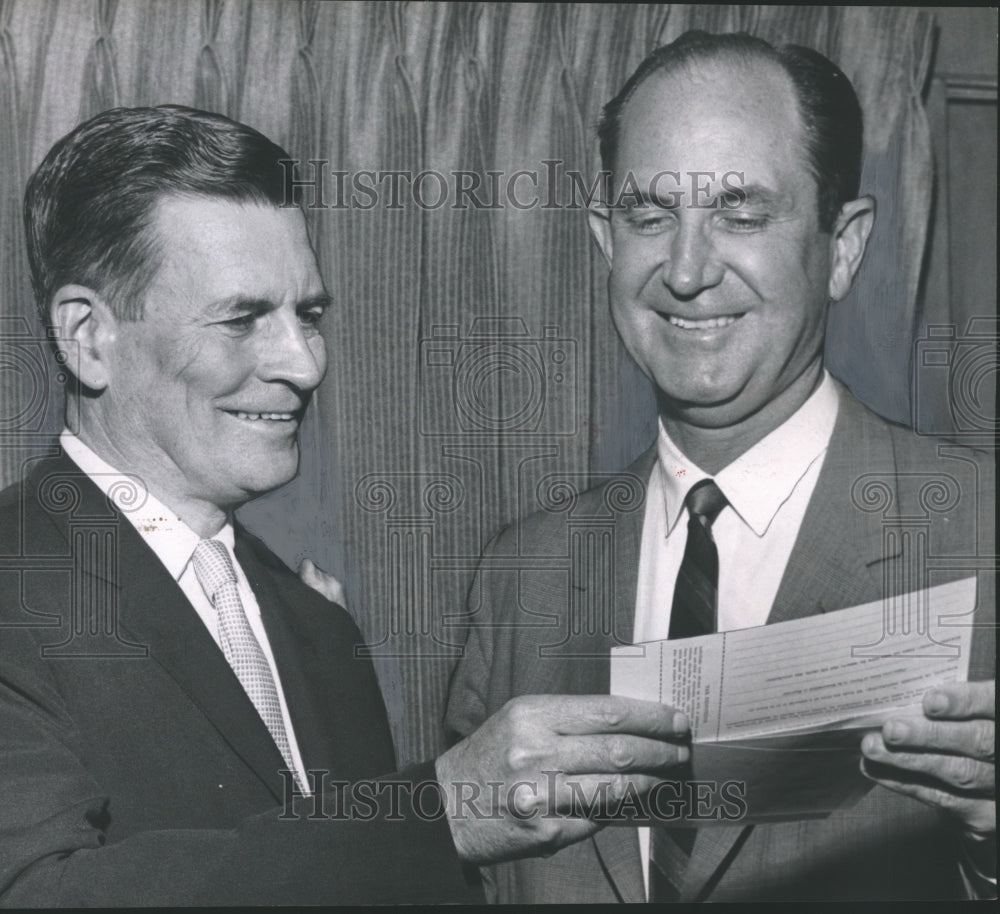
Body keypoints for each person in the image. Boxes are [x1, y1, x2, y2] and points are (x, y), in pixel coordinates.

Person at [0, 105, 691, 905]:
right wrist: (438, 812)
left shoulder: (318, 626)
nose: (302, 364)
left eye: (309, 315)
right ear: (87, 337)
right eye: (242, 318)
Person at [445, 30, 996, 902]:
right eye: (649, 216)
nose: (688, 270)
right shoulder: (524, 575)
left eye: (741, 212)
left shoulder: (980, 536)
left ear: (843, 246)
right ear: (604, 242)